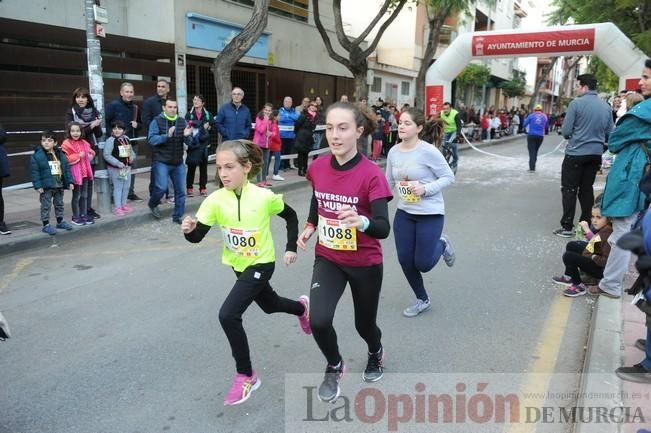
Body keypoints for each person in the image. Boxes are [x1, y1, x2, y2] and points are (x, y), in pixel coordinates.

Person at [181, 139, 310, 406]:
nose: (223, 173)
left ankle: (246, 375)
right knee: (270, 305)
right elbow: (196, 237)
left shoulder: (263, 197)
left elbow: (291, 216)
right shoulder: (215, 200)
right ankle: (302, 308)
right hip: (238, 265)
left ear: (246, 166)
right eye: (219, 168)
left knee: (228, 315)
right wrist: (189, 230)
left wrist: (290, 247)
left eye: (229, 167)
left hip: (262, 263)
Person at [297, 102, 393, 403]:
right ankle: (335, 364)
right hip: (328, 256)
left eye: (343, 128)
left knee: (364, 325)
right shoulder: (318, 166)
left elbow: (382, 227)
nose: (334, 135)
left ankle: (375, 352)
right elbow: (318, 198)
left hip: (365, 261)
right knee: (319, 320)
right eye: (329, 128)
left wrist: (361, 220)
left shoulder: (371, 174)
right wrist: (311, 224)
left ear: (359, 131)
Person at [385, 107, 456, 317]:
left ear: (419, 128)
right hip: (405, 213)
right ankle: (422, 298)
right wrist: (372, 201)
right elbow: (388, 181)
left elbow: (448, 177)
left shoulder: (428, 151)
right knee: (405, 260)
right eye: (400, 122)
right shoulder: (393, 152)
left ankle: (442, 244)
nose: (402, 126)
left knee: (423, 263)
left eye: (407, 123)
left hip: (430, 214)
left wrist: (426, 189)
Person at [597, 60, 651, 298]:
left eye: (646, 77)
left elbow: (616, 141)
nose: (641, 82)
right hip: (642, 177)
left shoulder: (641, 115)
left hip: (632, 176)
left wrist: (625, 124)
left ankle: (610, 284)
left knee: (621, 230)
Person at [554, 73, 614, 238]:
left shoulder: (576, 104)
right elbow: (610, 132)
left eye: (577, 86)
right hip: (595, 154)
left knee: (569, 189)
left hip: (575, 153)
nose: (576, 89)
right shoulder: (606, 106)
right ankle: (584, 226)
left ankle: (567, 226)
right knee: (587, 189)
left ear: (584, 87)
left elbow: (566, 132)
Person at [147, 98, 192, 224]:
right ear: (164, 108)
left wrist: (188, 136)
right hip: (161, 161)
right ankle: (152, 203)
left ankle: (178, 216)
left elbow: (189, 143)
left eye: (174, 107)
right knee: (161, 187)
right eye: (170, 107)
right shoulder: (157, 121)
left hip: (178, 162)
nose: (172, 109)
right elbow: (151, 139)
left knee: (181, 191)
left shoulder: (182, 122)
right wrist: (166, 136)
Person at [552, 204, 612, 297]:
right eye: (592, 217)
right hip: (597, 259)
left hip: (601, 270)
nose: (594, 220)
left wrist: (588, 232)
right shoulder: (604, 229)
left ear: (608, 219)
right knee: (572, 245)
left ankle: (578, 285)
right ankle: (569, 276)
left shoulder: (606, 232)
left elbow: (603, 260)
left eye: (599, 217)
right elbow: (595, 246)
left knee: (569, 256)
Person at [65, 87, 102, 219]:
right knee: (78, 181)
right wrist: (90, 126)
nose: (80, 99)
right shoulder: (71, 112)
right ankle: (78, 212)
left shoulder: (94, 112)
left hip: (91, 150)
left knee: (89, 180)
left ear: (88, 99)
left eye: (83, 97)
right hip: (76, 152)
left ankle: (87, 209)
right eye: (78, 97)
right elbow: (70, 132)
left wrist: (97, 125)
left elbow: (99, 134)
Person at [30, 130, 74, 235]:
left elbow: (66, 169)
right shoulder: (37, 156)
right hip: (46, 186)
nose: (46, 143)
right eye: (44, 140)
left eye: (49, 140)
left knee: (59, 204)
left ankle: (60, 222)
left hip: (59, 184)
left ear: (55, 143)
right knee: (46, 205)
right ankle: (46, 224)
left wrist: (70, 182)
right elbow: (35, 172)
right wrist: (38, 186)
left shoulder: (60, 154)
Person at [105, 82, 143, 202]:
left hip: (131, 143)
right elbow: (106, 122)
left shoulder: (136, 107)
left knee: (129, 167)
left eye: (131, 92)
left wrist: (137, 125)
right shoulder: (113, 105)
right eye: (127, 91)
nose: (129, 94)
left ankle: (129, 193)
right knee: (116, 169)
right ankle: (113, 195)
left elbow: (141, 124)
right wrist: (111, 137)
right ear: (121, 93)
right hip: (116, 144)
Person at [61, 122, 95, 225]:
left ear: (81, 132)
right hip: (75, 175)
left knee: (84, 195)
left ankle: (84, 215)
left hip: (84, 173)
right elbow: (65, 159)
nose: (75, 133)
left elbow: (91, 152)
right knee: (77, 196)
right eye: (73, 131)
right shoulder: (66, 144)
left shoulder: (84, 142)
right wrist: (78, 156)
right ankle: (75, 216)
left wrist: (91, 154)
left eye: (78, 131)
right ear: (69, 132)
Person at [103, 120, 136, 216]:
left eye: (119, 128)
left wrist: (132, 157)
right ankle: (118, 207)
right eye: (115, 128)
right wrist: (117, 163)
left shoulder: (126, 139)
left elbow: (131, 151)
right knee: (118, 187)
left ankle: (124, 204)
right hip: (116, 168)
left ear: (124, 130)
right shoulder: (111, 140)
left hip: (125, 168)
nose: (117, 130)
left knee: (126, 186)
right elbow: (107, 155)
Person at [185, 94, 212, 197]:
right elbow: (188, 126)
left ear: (203, 103)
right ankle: (189, 188)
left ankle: (203, 188)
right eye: (194, 100)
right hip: (193, 144)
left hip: (204, 145)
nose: (195, 101)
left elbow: (212, 126)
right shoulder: (189, 114)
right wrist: (202, 125)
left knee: (203, 168)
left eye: (198, 100)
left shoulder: (208, 114)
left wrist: (208, 127)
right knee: (191, 167)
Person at [294, 100, 318, 176]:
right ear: (309, 106)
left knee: (306, 154)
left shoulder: (315, 117)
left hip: (309, 138)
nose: (313, 107)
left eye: (315, 106)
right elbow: (297, 125)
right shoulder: (304, 114)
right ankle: (300, 170)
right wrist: (299, 134)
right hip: (302, 137)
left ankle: (305, 169)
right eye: (312, 105)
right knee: (301, 154)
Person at [253, 102, 274, 186]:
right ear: (263, 110)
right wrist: (265, 120)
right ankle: (258, 181)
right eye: (266, 110)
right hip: (259, 143)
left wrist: (271, 133)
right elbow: (260, 130)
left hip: (267, 144)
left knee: (265, 162)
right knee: (259, 162)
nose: (267, 112)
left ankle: (264, 180)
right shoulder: (259, 118)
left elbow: (274, 130)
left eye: (269, 110)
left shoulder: (272, 119)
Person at [523, 104, 548, 172]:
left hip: (531, 135)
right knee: (535, 151)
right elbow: (546, 126)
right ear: (541, 110)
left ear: (534, 110)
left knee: (532, 151)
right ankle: (533, 165)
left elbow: (524, 124)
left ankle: (532, 168)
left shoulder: (531, 115)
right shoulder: (544, 116)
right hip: (540, 136)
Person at [278, 96, 300, 171]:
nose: (288, 103)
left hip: (291, 135)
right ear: (283, 102)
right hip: (282, 135)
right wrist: (291, 117)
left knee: (289, 151)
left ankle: (287, 165)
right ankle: (281, 166)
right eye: (286, 102)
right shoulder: (280, 111)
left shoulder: (294, 110)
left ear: (291, 103)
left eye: (289, 102)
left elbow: (297, 117)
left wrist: (288, 116)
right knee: (282, 151)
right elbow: (281, 118)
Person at [439, 102, 461, 169]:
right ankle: (445, 160)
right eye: (444, 109)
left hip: (454, 131)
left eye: (447, 109)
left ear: (450, 109)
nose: (445, 110)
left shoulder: (455, 114)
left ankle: (455, 160)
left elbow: (459, 126)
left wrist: (457, 135)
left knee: (453, 145)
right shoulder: (441, 113)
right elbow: (434, 119)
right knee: (444, 146)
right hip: (446, 131)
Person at [268, 110, 283, 181]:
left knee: (268, 159)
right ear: (275, 116)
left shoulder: (270, 123)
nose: (280, 117)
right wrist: (279, 141)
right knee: (278, 159)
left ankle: (266, 173)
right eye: (279, 115)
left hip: (270, 144)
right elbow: (275, 135)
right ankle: (275, 174)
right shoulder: (274, 125)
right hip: (276, 144)